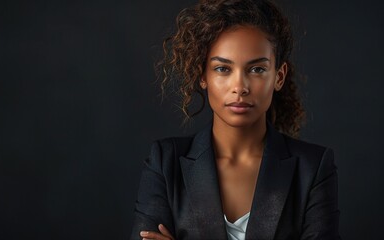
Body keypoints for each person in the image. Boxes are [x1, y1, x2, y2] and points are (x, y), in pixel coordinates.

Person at [131, 0, 340, 239]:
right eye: (223, 69)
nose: (239, 87)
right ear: (203, 75)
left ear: (279, 77)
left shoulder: (313, 168)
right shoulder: (165, 162)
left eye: (257, 69)